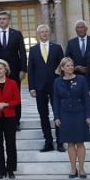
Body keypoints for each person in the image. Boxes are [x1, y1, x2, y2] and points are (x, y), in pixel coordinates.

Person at [53, 58, 90, 179]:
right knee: (70, 143)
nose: (71, 67)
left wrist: (88, 115)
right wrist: (57, 117)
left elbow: (86, 98)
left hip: (79, 113)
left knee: (80, 142)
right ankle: (72, 168)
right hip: (65, 114)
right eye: (68, 66)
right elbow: (55, 101)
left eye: (72, 65)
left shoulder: (81, 79)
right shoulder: (57, 81)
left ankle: (81, 168)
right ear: (62, 68)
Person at [0, 11, 26, 130]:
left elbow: (22, 52)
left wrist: (23, 69)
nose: (2, 21)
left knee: (14, 95)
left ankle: (16, 121)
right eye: (0, 19)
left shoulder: (17, 34)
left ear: (9, 20)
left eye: (4, 18)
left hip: (14, 70)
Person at [28, 25, 65, 153]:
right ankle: (48, 141)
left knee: (58, 113)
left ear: (49, 33)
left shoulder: (57, 48)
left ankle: (60, 142)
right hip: (39, 87)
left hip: (55, 86)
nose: (44, 34)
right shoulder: (33, 50)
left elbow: (63, 67)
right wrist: (31, 87)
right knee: (43, 115)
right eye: (42, 32)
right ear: (38, 34)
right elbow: (31, 70)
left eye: (46, 32)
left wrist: (63, 83)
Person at [0, 59, 21, 179]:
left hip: (9, 116)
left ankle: (11, 170)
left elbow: (17, 100)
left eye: (1, 68)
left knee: (10, 143)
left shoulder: (12, 83)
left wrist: (5, 104)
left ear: (6, 69)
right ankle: (1, 170)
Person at [65, 20, 90, 129]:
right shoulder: (71, 43)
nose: (80, 29)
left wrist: (87, 69)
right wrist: (75, 68)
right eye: (78, 28)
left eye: (82, 27)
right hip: (76, 76)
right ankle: (81, 120)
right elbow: (67, 59)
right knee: (78, 99)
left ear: (86, 29)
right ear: (75, 30)